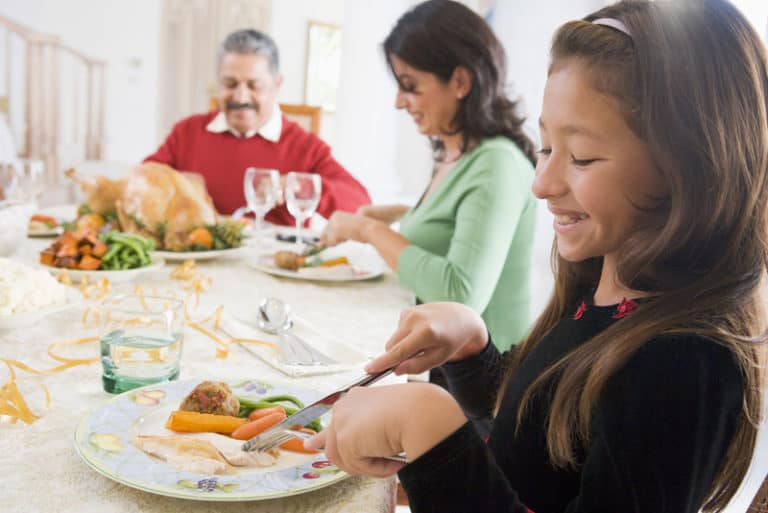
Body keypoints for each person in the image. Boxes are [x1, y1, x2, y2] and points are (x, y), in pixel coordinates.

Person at [305, 1, 768, 512]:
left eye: (582, 157)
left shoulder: (685, 364)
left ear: (691, 166)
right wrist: (474, 352)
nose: (541, 183)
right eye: (546, 148)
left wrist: (427, 426)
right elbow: (540, 434)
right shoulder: (599, 291)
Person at [320, 0, 538, 351]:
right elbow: (457, 228)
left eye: (410, 85)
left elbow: (461, 297)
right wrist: (398, 215)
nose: (399, 102)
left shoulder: (497, 163)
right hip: (445, 365)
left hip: (484, 384)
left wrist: (368, 230)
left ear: (460, 81)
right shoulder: (459, 154)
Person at [145, 29, 371, 222]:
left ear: (277, 84)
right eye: (230, 84)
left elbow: (360, 204)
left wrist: (300, 186)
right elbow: (141, 181)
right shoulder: (188, 132)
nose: (241, 97)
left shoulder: (305, 146)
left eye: (255, 85)